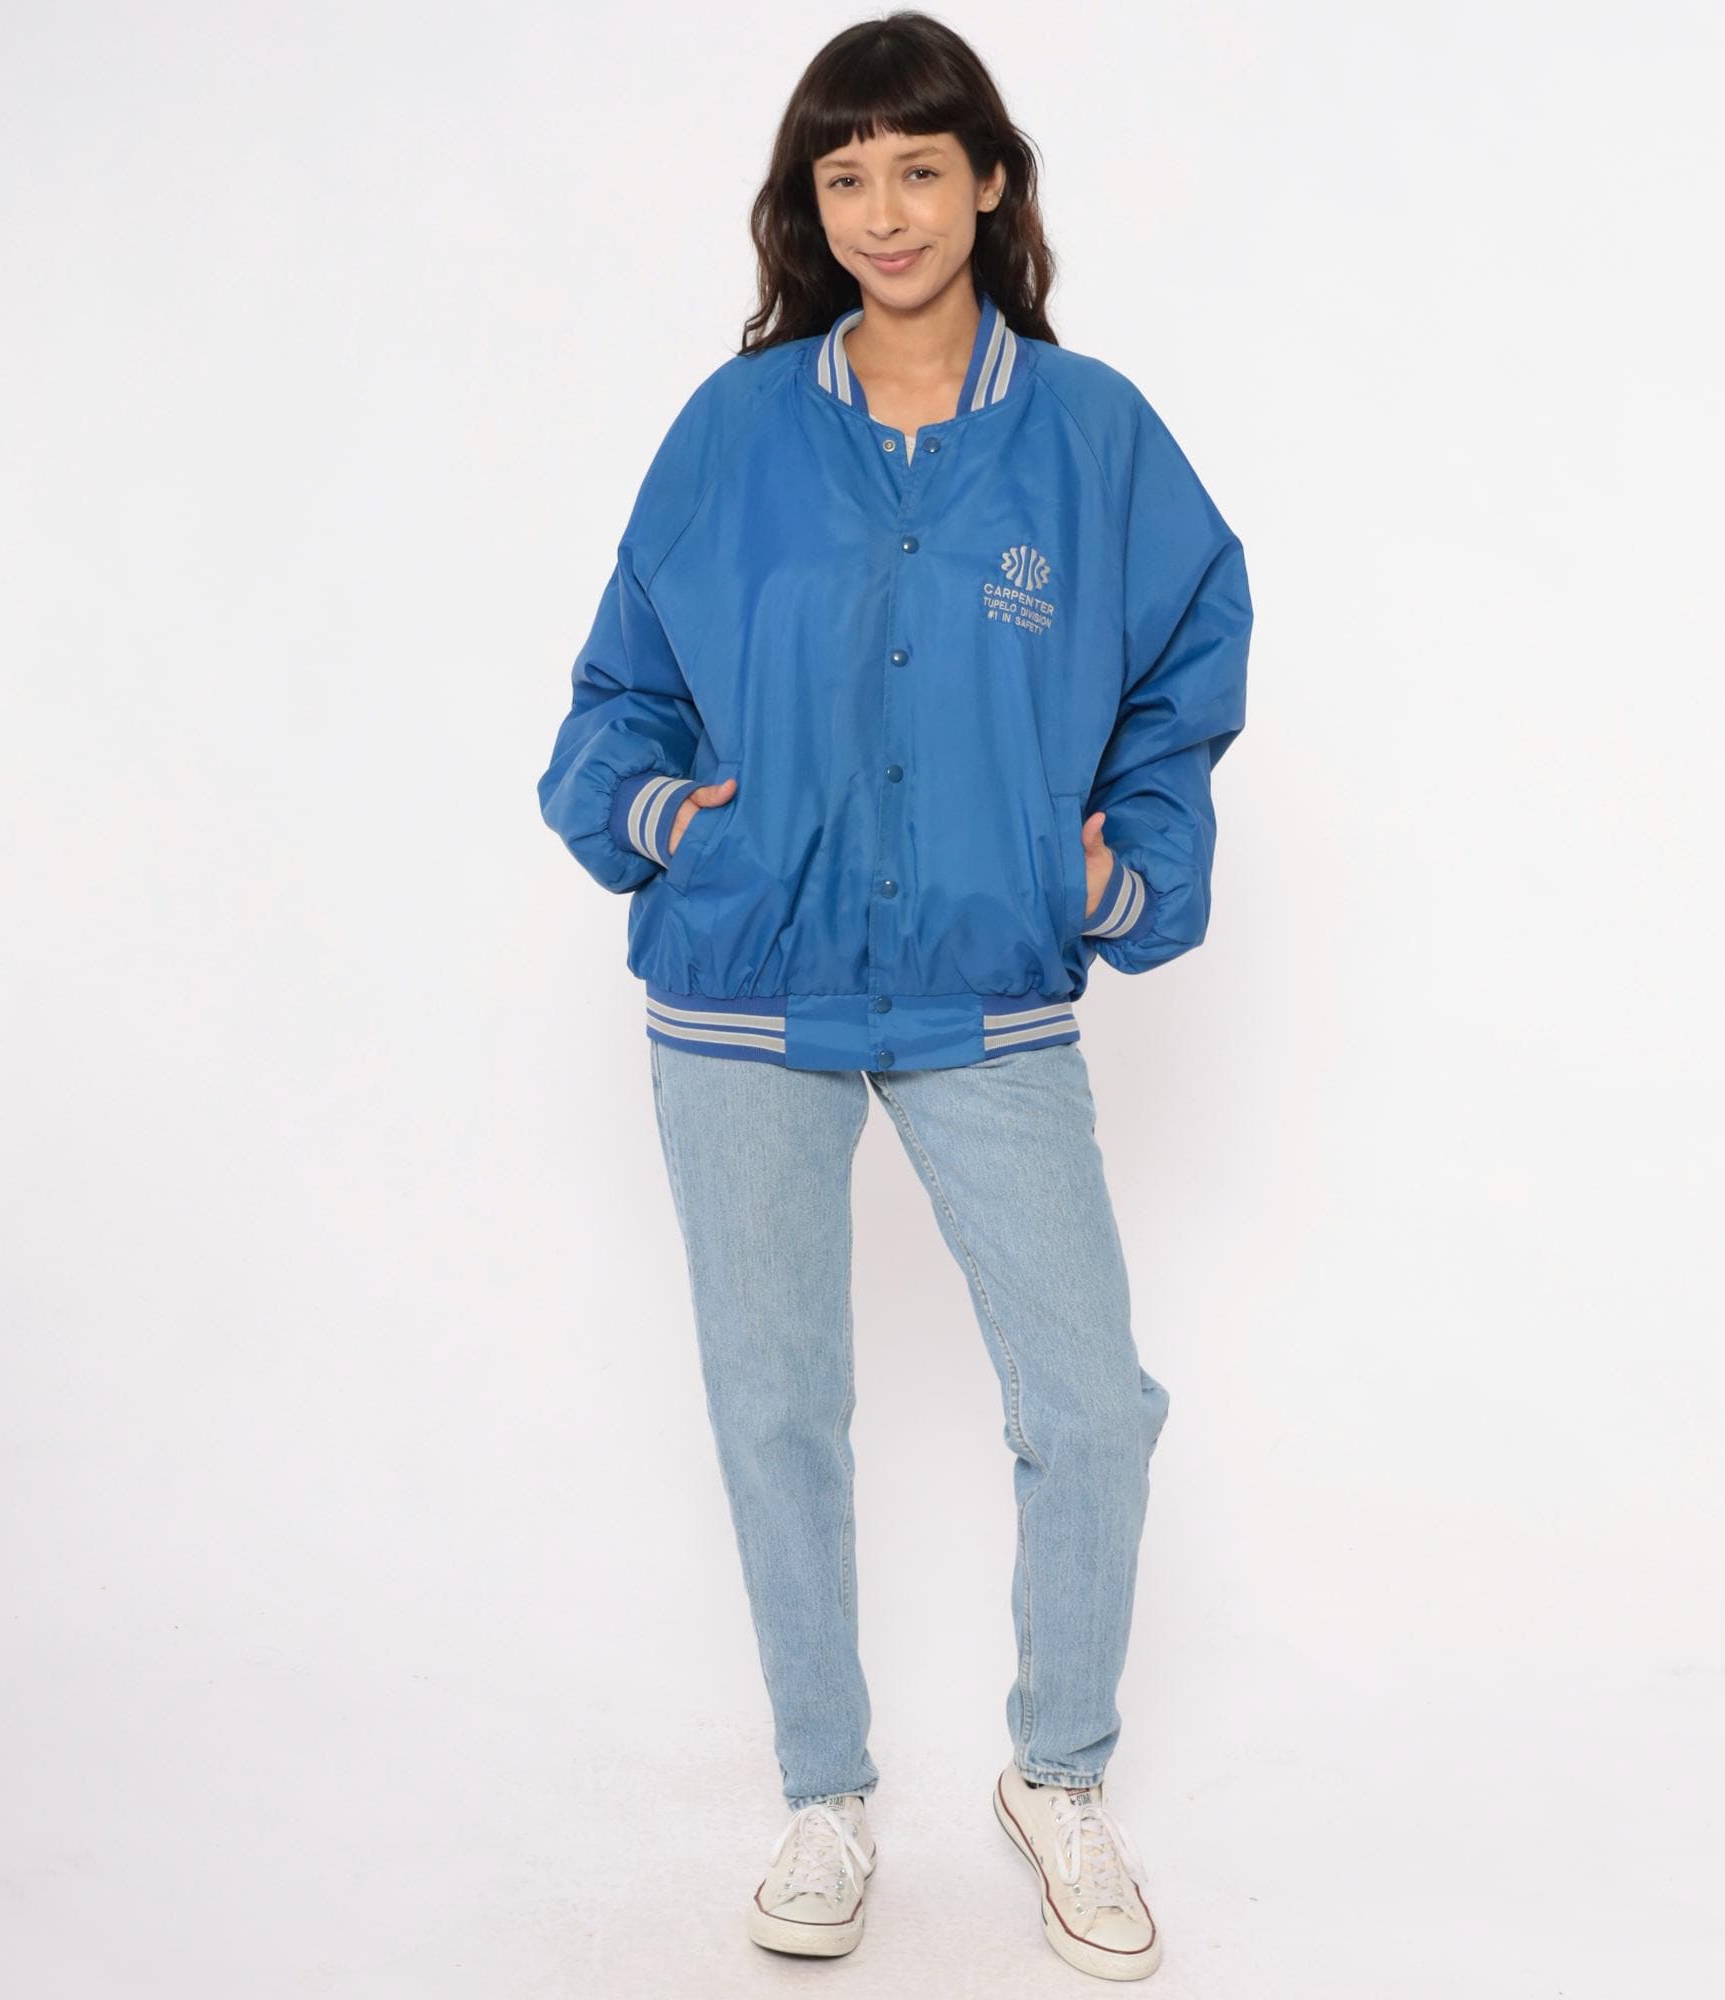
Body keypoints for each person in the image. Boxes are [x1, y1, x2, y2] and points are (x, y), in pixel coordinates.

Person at [536, 11, 1252, 1982]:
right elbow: (615, 696)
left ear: (989, 183)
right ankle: (825, 1793)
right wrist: (663, 816)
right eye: (843, 177)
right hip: (745, 989)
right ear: (810, 206)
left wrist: (1122, 866)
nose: (884, 212)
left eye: (919, 169)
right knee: (778, 1402)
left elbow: (1188, 663)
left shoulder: (1091, 437)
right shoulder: (735, 428)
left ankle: (1058, 1773)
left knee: (1088, 1404)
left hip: (984, 990)